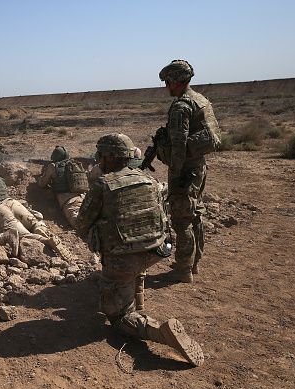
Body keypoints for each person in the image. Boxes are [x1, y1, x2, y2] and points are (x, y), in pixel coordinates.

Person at [76, 134, 204, 366]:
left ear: (110, 157)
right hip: (154, 252)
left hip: (122, 261)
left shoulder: (103, 185)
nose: (99, 159)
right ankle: (138, 300)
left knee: (118, 316)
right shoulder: (148, 180)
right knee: (135, 259)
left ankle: (159, 331)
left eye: (101, 154)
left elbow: (82, 223)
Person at [158, 60, 221, 282]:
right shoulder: (200, 100)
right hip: (198, 166)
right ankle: (194, 263)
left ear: (176, 81)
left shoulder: (181, 106)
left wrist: (174, 174)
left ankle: (183, 268)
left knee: (181, 218)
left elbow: (178, 146)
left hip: (184, 170)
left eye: (168, 82)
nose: (166, 86)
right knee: (195, 214)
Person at [0, 159, 73, 261]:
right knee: (34, 223)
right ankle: (49, 234)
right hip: (12, 203)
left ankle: (47, 241)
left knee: (21, 234)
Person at [37, 146, 88, 228]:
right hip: (84, 197)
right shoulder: (75, 164)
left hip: (70, 201)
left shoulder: (53, 166)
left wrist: (40, 177)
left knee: (79, 224)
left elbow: (42, 184)